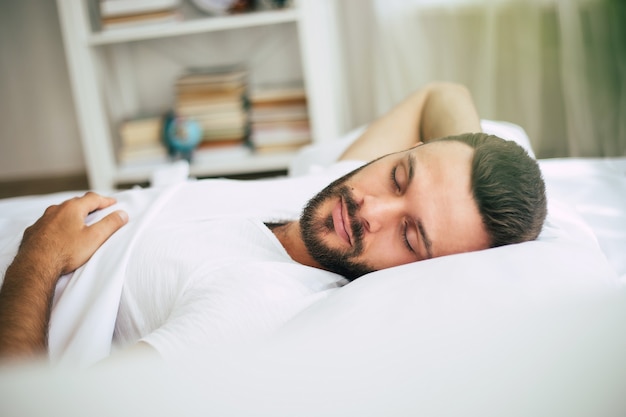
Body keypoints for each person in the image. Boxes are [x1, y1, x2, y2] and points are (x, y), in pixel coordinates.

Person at [0, 82, 547, 361]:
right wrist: (469, 155)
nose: (368, 211)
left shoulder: (252, 306)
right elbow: (442, 94)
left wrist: (38, 256)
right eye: (399, 178)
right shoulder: (316, 194)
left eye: (411, 235)